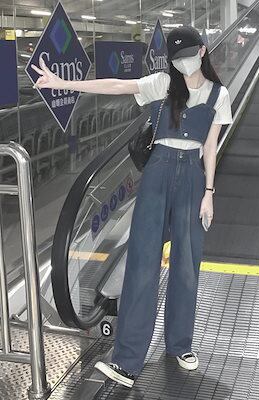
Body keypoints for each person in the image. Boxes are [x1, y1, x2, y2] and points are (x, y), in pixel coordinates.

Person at [32, 25, 233, 388]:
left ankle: (180, 345)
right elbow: (115, 85)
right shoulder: (161, 84)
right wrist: (64, 83)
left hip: (192, 176)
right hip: (158, 172)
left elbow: (210, 147)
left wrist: (209, 193)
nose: (182, 63)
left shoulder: (219, 94)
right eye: (176, 58)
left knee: (187, 263)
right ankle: (127, 360)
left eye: (187, 55)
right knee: (142, 262)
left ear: (202, 51)